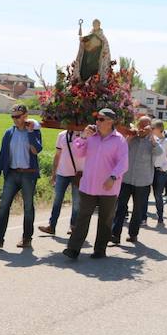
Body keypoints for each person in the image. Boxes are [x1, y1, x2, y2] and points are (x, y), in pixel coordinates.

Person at [62, 108, 129, 260]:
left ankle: (100, 250)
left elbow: (123, 163)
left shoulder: (119, 140)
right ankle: (73, 249)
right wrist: (84, 137)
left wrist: (113, 177)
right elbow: (78, 153)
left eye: (100, 119)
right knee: (82, 217)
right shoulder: (91, 137)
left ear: (110, 122)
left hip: (109, 187)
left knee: (105, 219)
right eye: (97, 119)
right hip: (89, 185)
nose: (97, 122)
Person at [0, 104, 43, 249]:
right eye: (13, 117)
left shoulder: (34, 131)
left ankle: (27, 238)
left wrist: (30, 133)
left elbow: (36, 150)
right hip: (12, 173)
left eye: (18, 116)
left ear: (25, 116)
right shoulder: (8, 133)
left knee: (28, 207)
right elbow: (2, 154)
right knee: (4, 206)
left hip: (28, 174)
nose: (15, 119)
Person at [110, 116, 163, 244]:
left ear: (150, 127)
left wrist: (151, 137)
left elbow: (159, 153)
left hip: (143, 182)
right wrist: (131, 136)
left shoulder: (153, 140)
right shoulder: (130, 138)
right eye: (140, 125)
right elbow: (120, 150)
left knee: (137, 210)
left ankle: (133, 234)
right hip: (126, 179)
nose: (142, 129)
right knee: (120, 208)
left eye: (145, 126)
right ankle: (115, 235)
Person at [39, 129, 84, 236]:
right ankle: (52, 226)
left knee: (76, 202)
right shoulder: (62, 135)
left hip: (78, 174)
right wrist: (54, 173)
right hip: (62, 173)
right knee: (57, 200)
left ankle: (73, 226)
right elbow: (57, 155)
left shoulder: (85, 135)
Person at [145, 119, 167, 226]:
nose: (151, 130)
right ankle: (143, 217)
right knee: (145, 193)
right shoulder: (152, 139)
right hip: (149, 170)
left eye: (153, 128)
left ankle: (160, 216)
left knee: (158, 194)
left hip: (160, 172)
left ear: (159, 129)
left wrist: (164, 168)